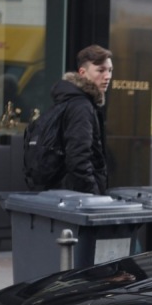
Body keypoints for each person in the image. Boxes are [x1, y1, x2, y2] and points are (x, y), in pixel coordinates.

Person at [48, 44, 113, 193]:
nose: (107, 76)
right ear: (82, 73)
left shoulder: (74, 101)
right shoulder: (81, 106)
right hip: (79, 199)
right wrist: (93, 195)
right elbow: (78, 159)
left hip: (67, 194)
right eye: (100, 70)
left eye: (110, 70)